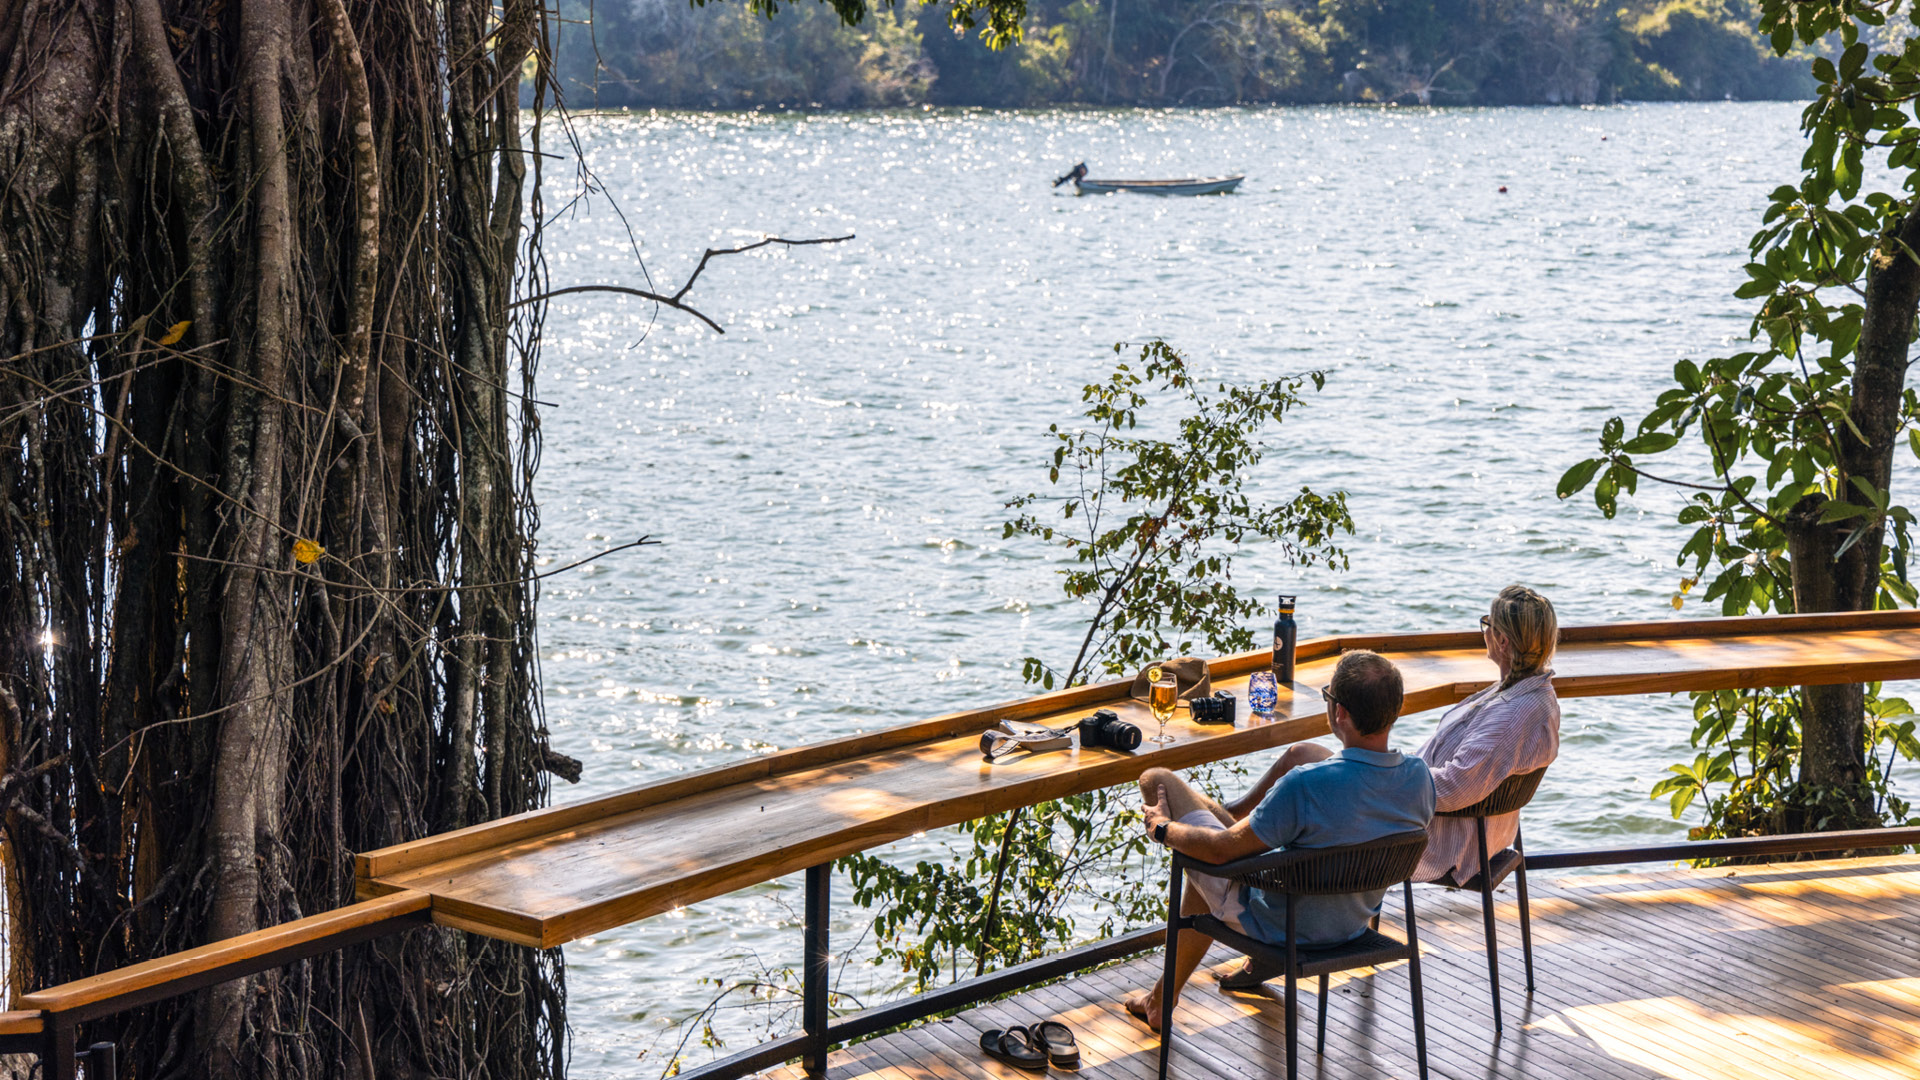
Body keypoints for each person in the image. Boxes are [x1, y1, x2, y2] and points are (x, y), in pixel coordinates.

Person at [1124, 650, 1436, 1030]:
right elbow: (1349, 793)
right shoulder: (1420, 779)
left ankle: (1161, 999)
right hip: (1350, 924)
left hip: (1279, 926)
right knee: (1299, 755)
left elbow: (1221, 853)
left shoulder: (1306, 786)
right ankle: (1163, 996)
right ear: (1396, 709)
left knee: (1157, 779)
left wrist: (1163, 829)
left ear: (1338, 713)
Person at [1412, 584, 1560, 886]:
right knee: (1313, 766)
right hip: (1461, 828)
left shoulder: (1512, 716)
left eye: (1487, 625)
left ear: (1502, 640)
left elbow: (1454, 788)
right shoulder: (1527, 691)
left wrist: (1391, 781)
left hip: (1441, 843)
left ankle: (1322, 921)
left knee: (1311, 776)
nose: (1484, 632)